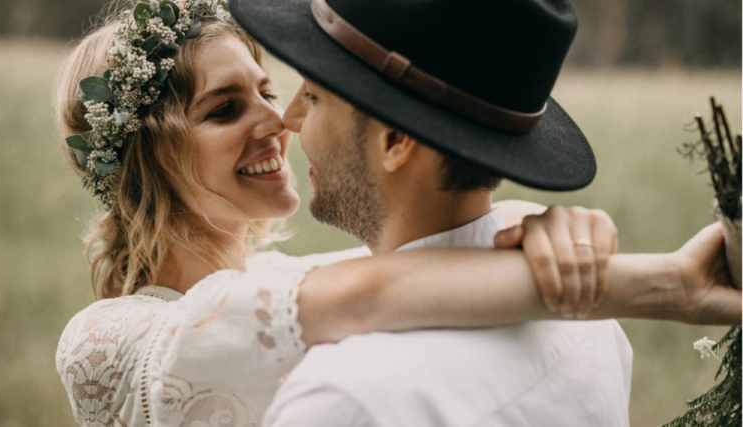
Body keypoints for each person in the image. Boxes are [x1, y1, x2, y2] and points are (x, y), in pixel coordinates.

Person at [54, 1, 739, 426]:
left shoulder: (305, 275)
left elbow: (406, 266)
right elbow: (379, 288)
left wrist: (541, 225)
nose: (280, 119)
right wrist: (654, 282)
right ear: (150, 162)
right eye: (225, 108)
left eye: (275, 89)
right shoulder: (108, 338)